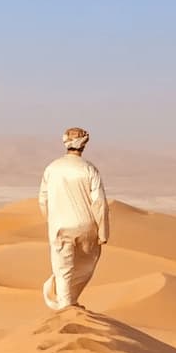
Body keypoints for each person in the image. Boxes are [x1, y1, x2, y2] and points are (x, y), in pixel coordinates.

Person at [39, 126, 109, 311]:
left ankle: (65, 304)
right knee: (85, 265)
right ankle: (68, 305)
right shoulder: (89, 169)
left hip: (60, 226)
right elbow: (99, 202)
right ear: (84, 144)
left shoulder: (52, 168)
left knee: (63, 267)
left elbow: (42, 199)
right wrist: (103, 231)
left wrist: (51, 220)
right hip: (87, 226)